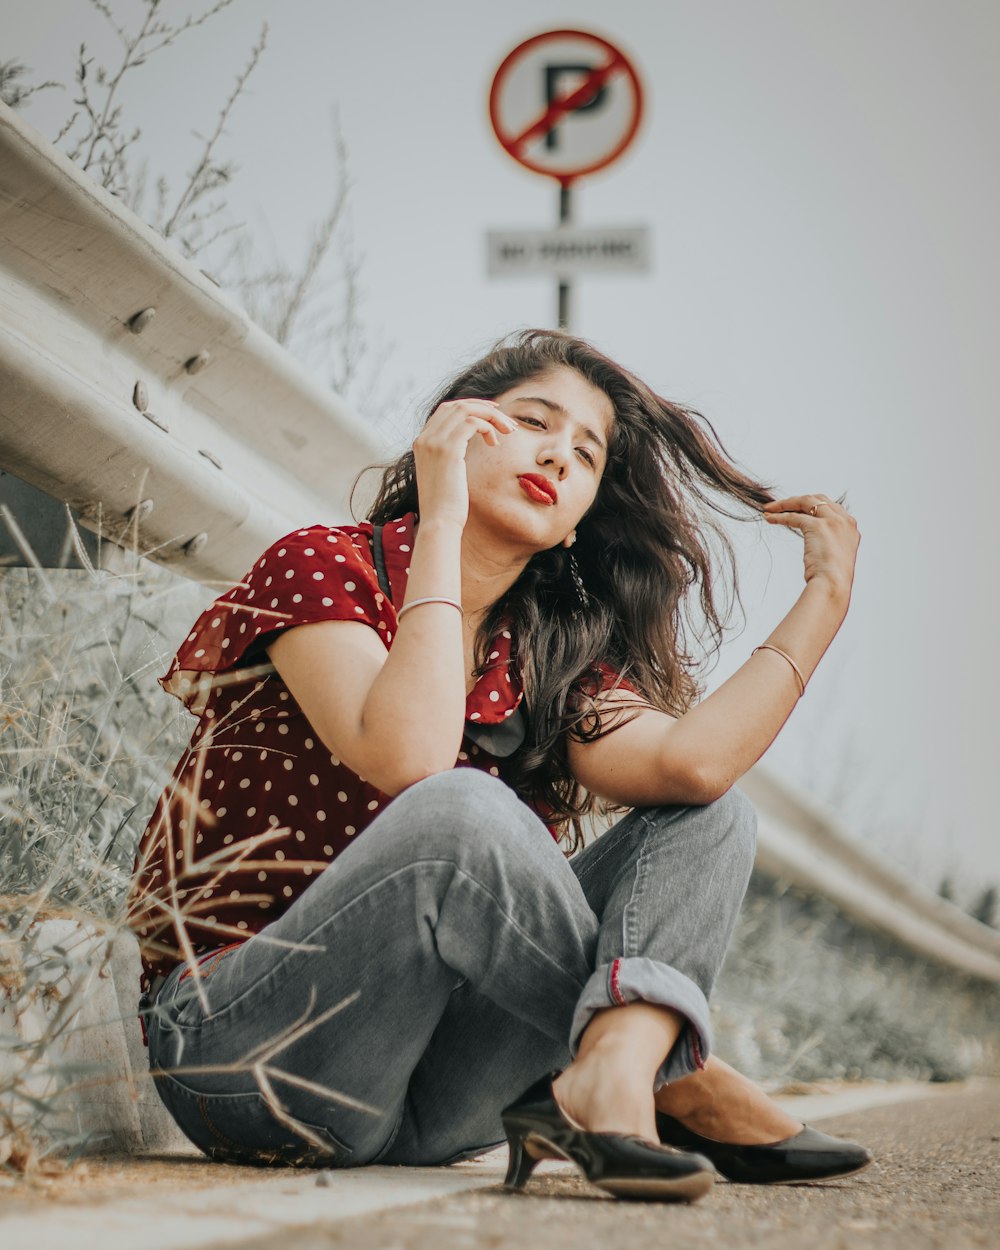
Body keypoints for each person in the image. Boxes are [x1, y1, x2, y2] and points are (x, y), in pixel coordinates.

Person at [129, 328, 870, 1201]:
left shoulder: (543, 656)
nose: (557, 454)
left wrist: (824, 600)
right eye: (532, 422)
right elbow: (405, 756)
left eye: (585, 455)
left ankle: (622, 1066)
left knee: (714, 817)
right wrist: (441, 518)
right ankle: (670, 1072)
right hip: (243, 1056)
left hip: (426, 1099)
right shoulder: (326, 566)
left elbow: (695, 768)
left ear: (578, 521)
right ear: (455, 430)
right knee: (461, 812)